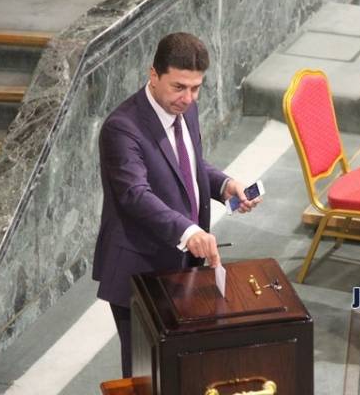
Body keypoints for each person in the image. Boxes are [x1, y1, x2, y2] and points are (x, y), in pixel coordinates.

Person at [92, 32, 260, 378]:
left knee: (184, 365)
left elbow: (188, 165)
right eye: (179, 87)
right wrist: (188, 231)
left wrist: (225, 185)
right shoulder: (122, 128)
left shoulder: (186, 109)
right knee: (145, 372)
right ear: (153, 75)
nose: (188, 98)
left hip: (185, 262)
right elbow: (134, 194)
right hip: (141, 269)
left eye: (196, 88)